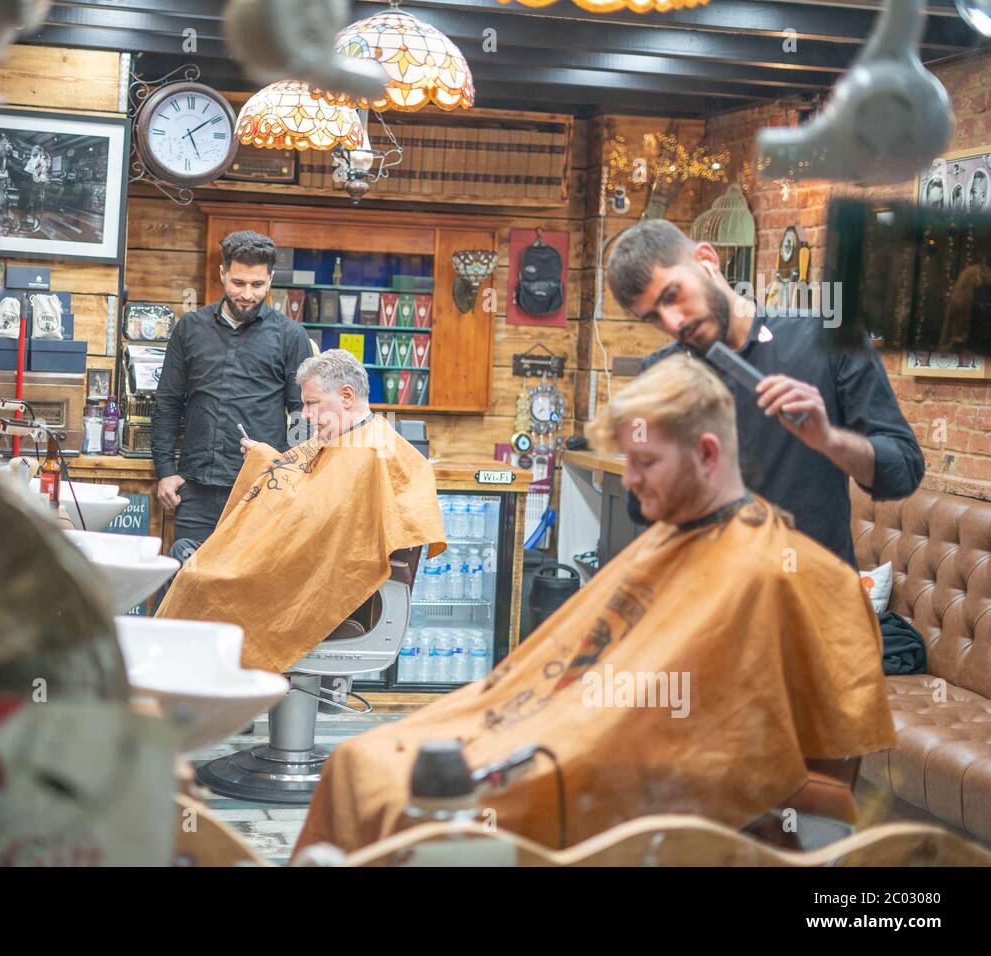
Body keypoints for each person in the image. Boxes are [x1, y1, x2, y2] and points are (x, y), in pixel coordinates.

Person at [293, 355, 894, 856]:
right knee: (357, 762)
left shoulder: (803, 578)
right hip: (556, 728)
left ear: (709, 454)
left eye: (645, 462)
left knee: (400, 804)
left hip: (633, 782)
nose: (628, 480)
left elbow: (826, 789)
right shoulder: (664, 541)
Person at [606, 219, 923, 568]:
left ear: (706, 259)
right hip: (713, 596)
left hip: (809, 596)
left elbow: (902, 470)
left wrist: (830, 440)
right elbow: (638, 507)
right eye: (653, 317)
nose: (673, 323)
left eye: (672, 295)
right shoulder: (656, 375)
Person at [157, 350, 445, 674]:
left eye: (313, 404)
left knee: (198, 581)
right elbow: (300, 482)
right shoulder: (341, 438)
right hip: (297, 563)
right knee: (190, 561)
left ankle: (210, 693)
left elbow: (318, 517)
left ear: (346, 396)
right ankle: (206, 690)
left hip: (317, 581)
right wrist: (263, 456)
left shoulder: (376, 452)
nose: (305, 415)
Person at [152, 230, 315, 550]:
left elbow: (304, 413)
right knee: (186, 585)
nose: (248, 294)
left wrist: (291, 470)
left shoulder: (291, 335)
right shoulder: (191, 328)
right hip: (196, 489)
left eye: (258, 285)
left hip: (262, 489)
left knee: (251, 593)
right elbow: (168, 402)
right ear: (223, 273)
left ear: (270, 280)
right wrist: (165, 470)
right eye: (238, 283)